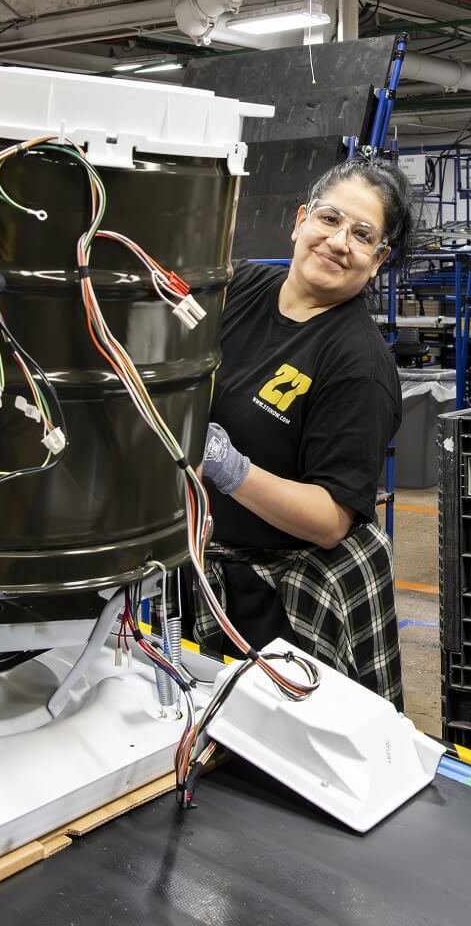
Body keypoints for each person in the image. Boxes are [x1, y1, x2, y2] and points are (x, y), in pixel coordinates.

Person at [190, 159, 411, 707]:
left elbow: (331, 521)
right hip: (209, 565)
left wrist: (229, 467)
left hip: (294, 592)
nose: (338, 242)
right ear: (299, 221)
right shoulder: (240, 286)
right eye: (329, 219)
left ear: (378, 260)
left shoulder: (358, 364)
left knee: (289, 757)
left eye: (362, 236)